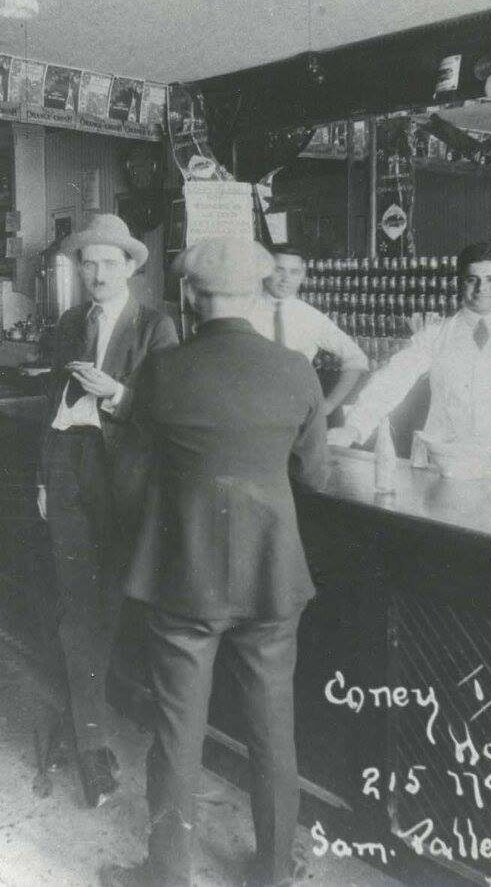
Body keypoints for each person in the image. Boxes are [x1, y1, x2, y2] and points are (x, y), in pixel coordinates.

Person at [100, 239, 327, 887]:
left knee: (177, 728)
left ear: (193, 299)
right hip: (271, 575)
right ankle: (273, 870)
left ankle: (166, 874)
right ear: (256, 294)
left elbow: (130, 476)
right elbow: (314, 475)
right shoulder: (295, 370)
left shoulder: (164, 371)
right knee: (272, 730)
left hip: (184, 575)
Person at [35, 213, 178, 807]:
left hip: (123, 483)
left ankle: (86, 727)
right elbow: (51, 403)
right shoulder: (70, 323)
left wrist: (114, 393)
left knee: (108, 607)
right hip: (68, 472)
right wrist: (44, 477)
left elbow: (168, 411)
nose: (95, 272)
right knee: (76, 605)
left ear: (129, 269)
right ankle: (92, 747)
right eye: (86, 262)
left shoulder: (155, 326)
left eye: (107, 263)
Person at [328, 242, 491, 453]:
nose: (482, 288)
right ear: (460, 284)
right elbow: (393, 378)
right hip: (443, 457)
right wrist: (355, 427)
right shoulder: (435, 335)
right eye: (472, 279)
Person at [251, 245, 368, 416]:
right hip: (252, 409)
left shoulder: (311, 317)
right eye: (279, 270)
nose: (286, 279)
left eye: (294, 272)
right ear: (264, 271)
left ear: (303, 275)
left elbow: (357, 359)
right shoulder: (244, 311)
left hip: (296, 411)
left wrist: (328, 405)